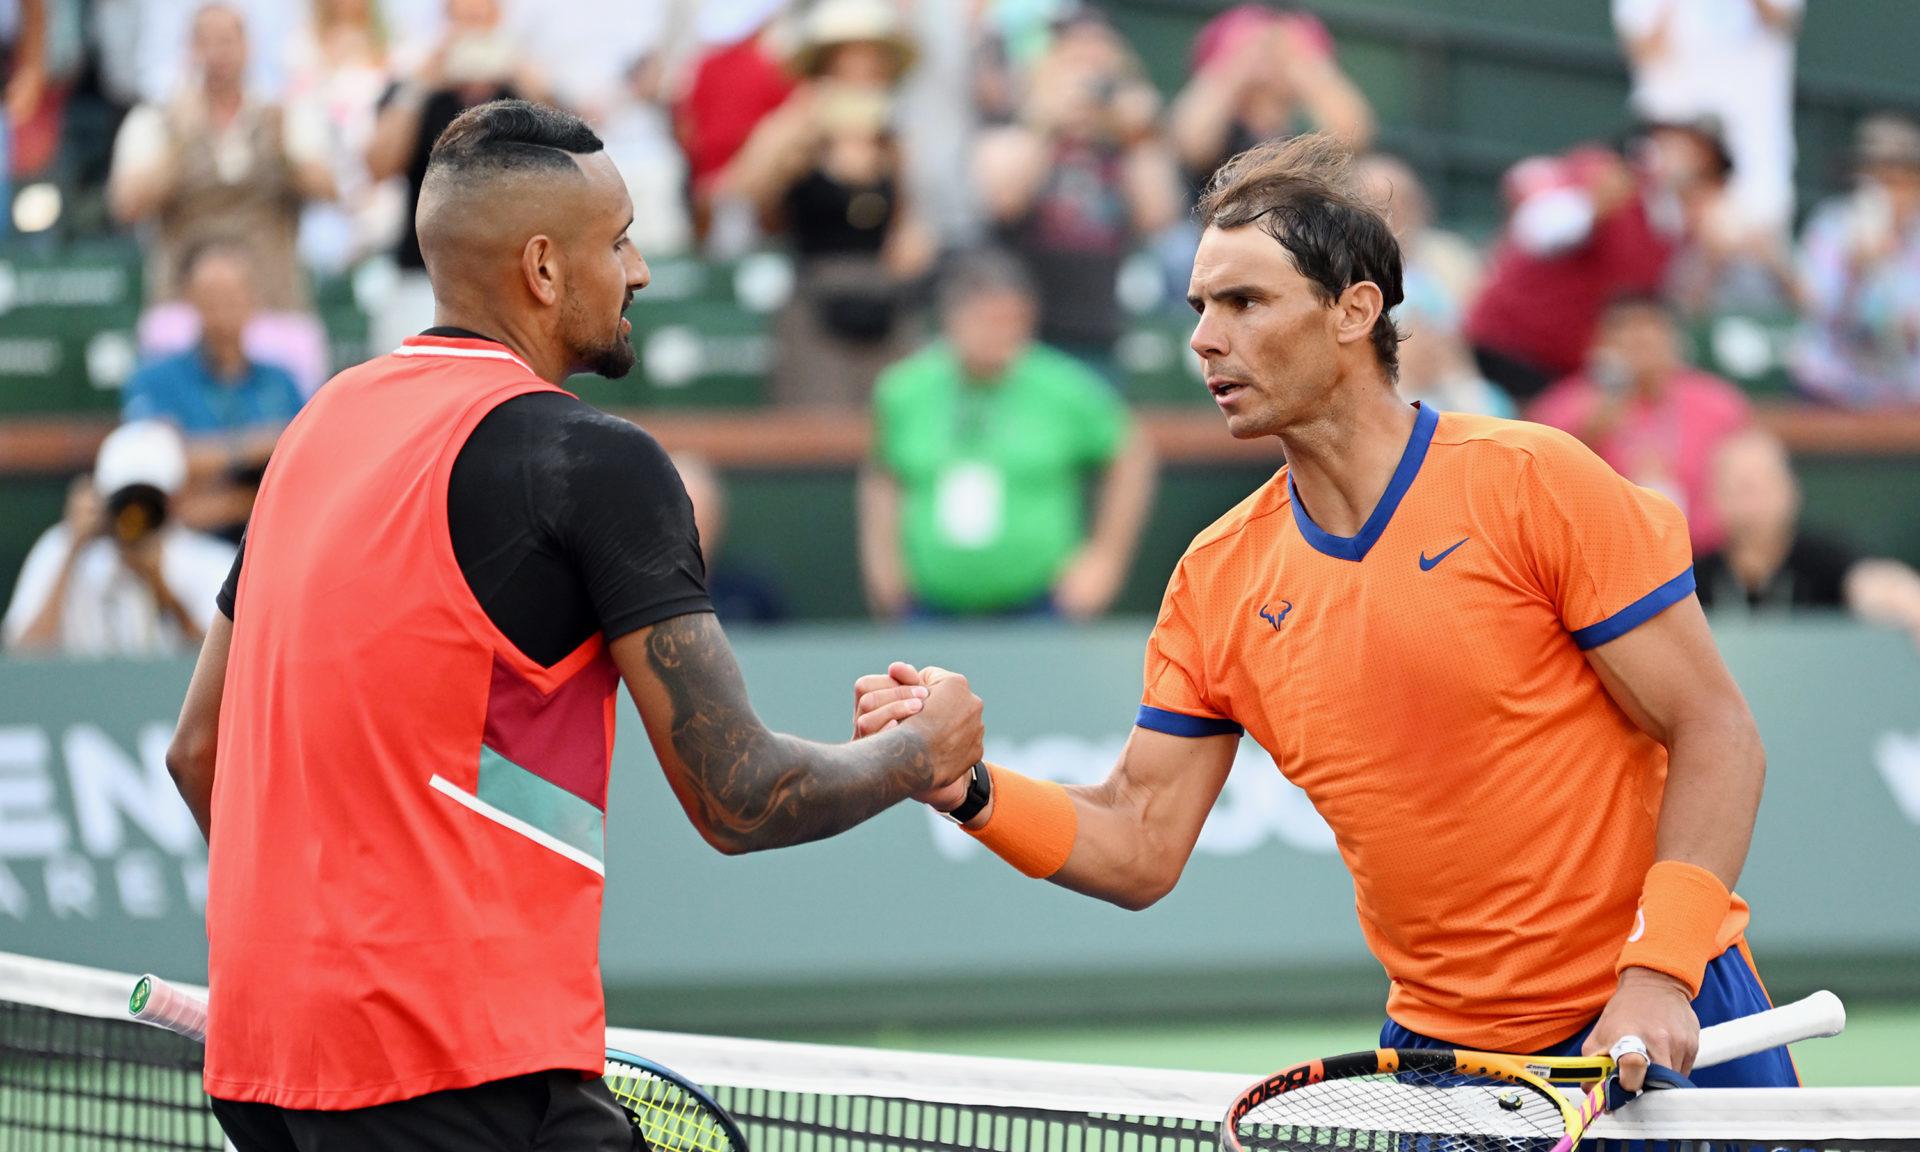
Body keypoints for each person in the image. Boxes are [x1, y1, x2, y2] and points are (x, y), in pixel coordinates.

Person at [855, 135, 1789, 1092]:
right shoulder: (1215, 580)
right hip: (1449, 1067)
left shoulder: (1534, 480)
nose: (1204, 339)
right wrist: (967, 787)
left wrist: (1658, 972)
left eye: (1245, 302)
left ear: (1354, 310)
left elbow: (1715, 729)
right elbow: (1137, 838)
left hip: (1665, 1020)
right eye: (1199, 307)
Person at [164, 100, 983, 1150]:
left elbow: (200, 752)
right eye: (621, 239)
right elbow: (739, 797)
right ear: (545, 269)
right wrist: (923, 752)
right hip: (464, 1073)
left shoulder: (317, 427)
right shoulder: (598, 461)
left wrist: (330, 956)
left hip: (268, 1069)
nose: (638, 269)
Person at [858, 249, 1157, 620]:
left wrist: (1106, 561)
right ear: (953, 317)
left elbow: (1130, 453)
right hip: (928, 608)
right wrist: (883, 569)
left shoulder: (1064, 388)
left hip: (1039, 605)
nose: (1002, 335)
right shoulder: (904, 390)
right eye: (988, 321)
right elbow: (884, 478)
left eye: (1014, 321)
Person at [107, 3, 335, 396]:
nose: (218, 54)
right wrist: (178, 146)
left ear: (248, 48)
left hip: (273, 308)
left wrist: (283, 152)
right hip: (182, 313)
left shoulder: (285, 116)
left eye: (227, 41)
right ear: (189, 50)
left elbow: (330, 190)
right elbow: (125, 205)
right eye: (206, 42)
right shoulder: (156, 120)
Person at [720, 0, 935, 407]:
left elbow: (910, 229)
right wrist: (796, 125)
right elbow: (739, 191)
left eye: (872, 66)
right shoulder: (797, 136)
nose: (860, 76)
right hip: (815, 304)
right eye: (848, 64)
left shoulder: (894, 144)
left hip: (884, 304)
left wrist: (912, 243)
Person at [976, 8, 1181, 375]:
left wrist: (1139, 134)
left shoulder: (1126, 140)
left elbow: (1159, 217)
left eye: (1098, 59)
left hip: (1101, 328)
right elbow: (1004, 200)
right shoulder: (1013, 125)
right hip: (1023, 333)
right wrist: (1046, 121)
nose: (1085, 72)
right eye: (1072, 56)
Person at [364, 0, 545, 356]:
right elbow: (377, 167)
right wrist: (420, 85)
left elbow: (571, 153)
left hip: (510, 278)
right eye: (461, 19)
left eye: (481, 19)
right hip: (424, 277)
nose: (471, 30)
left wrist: (521, 73)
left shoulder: (520, 89)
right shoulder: (418, 92)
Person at [1528, 294, 1752, 555]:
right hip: (1600, 556)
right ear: (1600, 342)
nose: (1641, 340)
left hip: (1705, 557)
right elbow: (1544, 490)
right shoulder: (1564, 406)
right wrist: (1594, 423)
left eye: (1653, 328)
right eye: (1626, 329)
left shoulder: (1719, 406)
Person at [1463, 133, 1679, 404]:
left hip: (1571, 370)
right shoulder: (1597, 174)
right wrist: (1595, 204)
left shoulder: (1670, 219)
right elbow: (1539, 231)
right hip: (1504, 350)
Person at [120, 242, 306, 541]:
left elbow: (306, 463)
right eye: (211, 296)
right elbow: (156, 465)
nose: (222, 308)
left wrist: (217, 476)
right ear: (189, 300)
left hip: (273, 537)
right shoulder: (155, 378)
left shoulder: (281, 381)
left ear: (254, 298)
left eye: (233, 294)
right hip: (185, 541)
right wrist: (254, 448)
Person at [2, 421, 234, 657]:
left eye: (149, 498)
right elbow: (23, 659)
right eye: (126, 497)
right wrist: (73, 548)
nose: (135, 514)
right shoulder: (59, 548)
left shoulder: (211, 563)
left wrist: (162, 589)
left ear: (175, 498)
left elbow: (221, 672)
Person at [1696, 428, 1920, 649]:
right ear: (1715, 495)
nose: (1752, 502)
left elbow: (1872, 582)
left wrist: (1896, 597)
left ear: (1790, 488)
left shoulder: (1825, 560)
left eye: (1762, 485)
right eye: (1739, 488)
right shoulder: (1695, 579)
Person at [1613, 0, 1801, 236]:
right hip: (1673, 141)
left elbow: (1781, 21)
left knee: (1749, 237)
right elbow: (1642, 48)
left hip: (1751, 150)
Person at [1170, 4, 1373, 194]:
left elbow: (1355, 138)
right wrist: (1237, 68)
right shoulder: (1219, 121)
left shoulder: (1305, 126)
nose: (1270, 58)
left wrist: (1306, 68)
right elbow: (1190, 144)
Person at [1791, 113, 1920, 408]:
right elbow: (1819, 316)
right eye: (1874, 179)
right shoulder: (1831, 226)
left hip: (1906, 403)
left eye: (1896, 180)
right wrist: (1856, 272)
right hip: (1828, 393)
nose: (1886, 192)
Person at [672, 453, 786, 625]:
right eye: (677, 516)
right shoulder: (633, 599)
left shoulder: (752, 595)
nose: (689, 532)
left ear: (718, 521)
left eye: (699, 517)